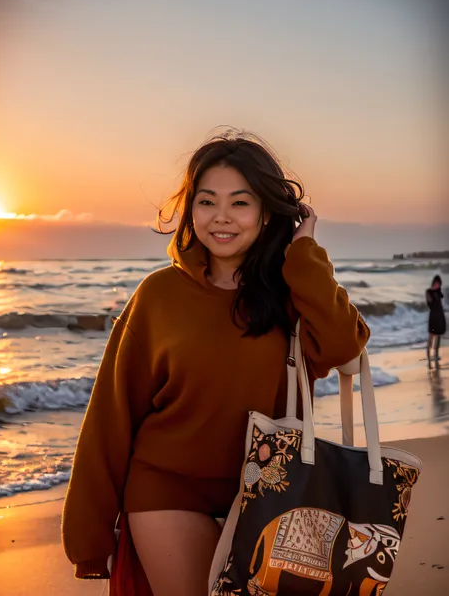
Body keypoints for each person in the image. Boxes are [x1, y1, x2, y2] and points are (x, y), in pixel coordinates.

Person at [61, 130, 370, 596]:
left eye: (240, 203)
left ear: (267, 213)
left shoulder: (291, 296)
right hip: (166, 489)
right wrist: (89, 531)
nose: (221, 217)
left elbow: (344, 348)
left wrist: (304, 255)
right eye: (207, 202)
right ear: (192, 210)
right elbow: (111, 413)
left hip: (274, 490)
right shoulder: (158, 295)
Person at [426, 274, 446, 369]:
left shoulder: (439, 293)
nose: (437, 285)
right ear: (433, 283)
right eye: (436, 283)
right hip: (433, 316)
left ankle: (436, 357)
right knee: (431, 337)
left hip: (440, 316)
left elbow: (441, 300)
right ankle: (429, 359)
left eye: (439, 284)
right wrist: (434, 291)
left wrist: (438, 291)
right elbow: (430, 303)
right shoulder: (429, 292)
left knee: (438, 338)